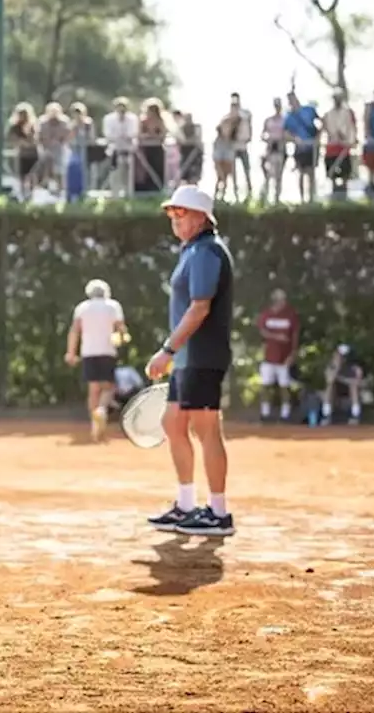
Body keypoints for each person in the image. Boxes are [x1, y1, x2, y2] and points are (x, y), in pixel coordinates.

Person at [145, 184, 236, 537]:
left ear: (201, 217)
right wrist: (173, 353)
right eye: (171, 213)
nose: (174, 219)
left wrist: (167, 349)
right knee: (173, 424)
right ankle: (186, 504)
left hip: (203, 355)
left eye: (180, 213)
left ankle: (219, 513)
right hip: (187, 358)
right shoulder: (192, 251)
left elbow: (200, 308)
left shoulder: (207, 252)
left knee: (206, 429)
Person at [64, 279, 128, 442]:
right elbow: (121, 330)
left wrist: (71, 353)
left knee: (93, 389)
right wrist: (121, 338)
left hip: (88, 352)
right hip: (107, 351)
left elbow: (74, 331)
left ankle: (94, 426)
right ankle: (101, 410)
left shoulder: (82, 308)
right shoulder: (113, 306)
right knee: (108, 387)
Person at [256, 289, 300, 422]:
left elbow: (295, 335)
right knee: (265, 385)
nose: (283, 301)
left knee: (284, 386)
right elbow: (262, 331)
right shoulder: (266, 314)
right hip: (269, 357)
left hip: (284, 358)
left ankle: (285, 414)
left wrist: (293, 353)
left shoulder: (291, 315)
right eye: (281, 299)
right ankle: (265, 413)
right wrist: (277, 337)